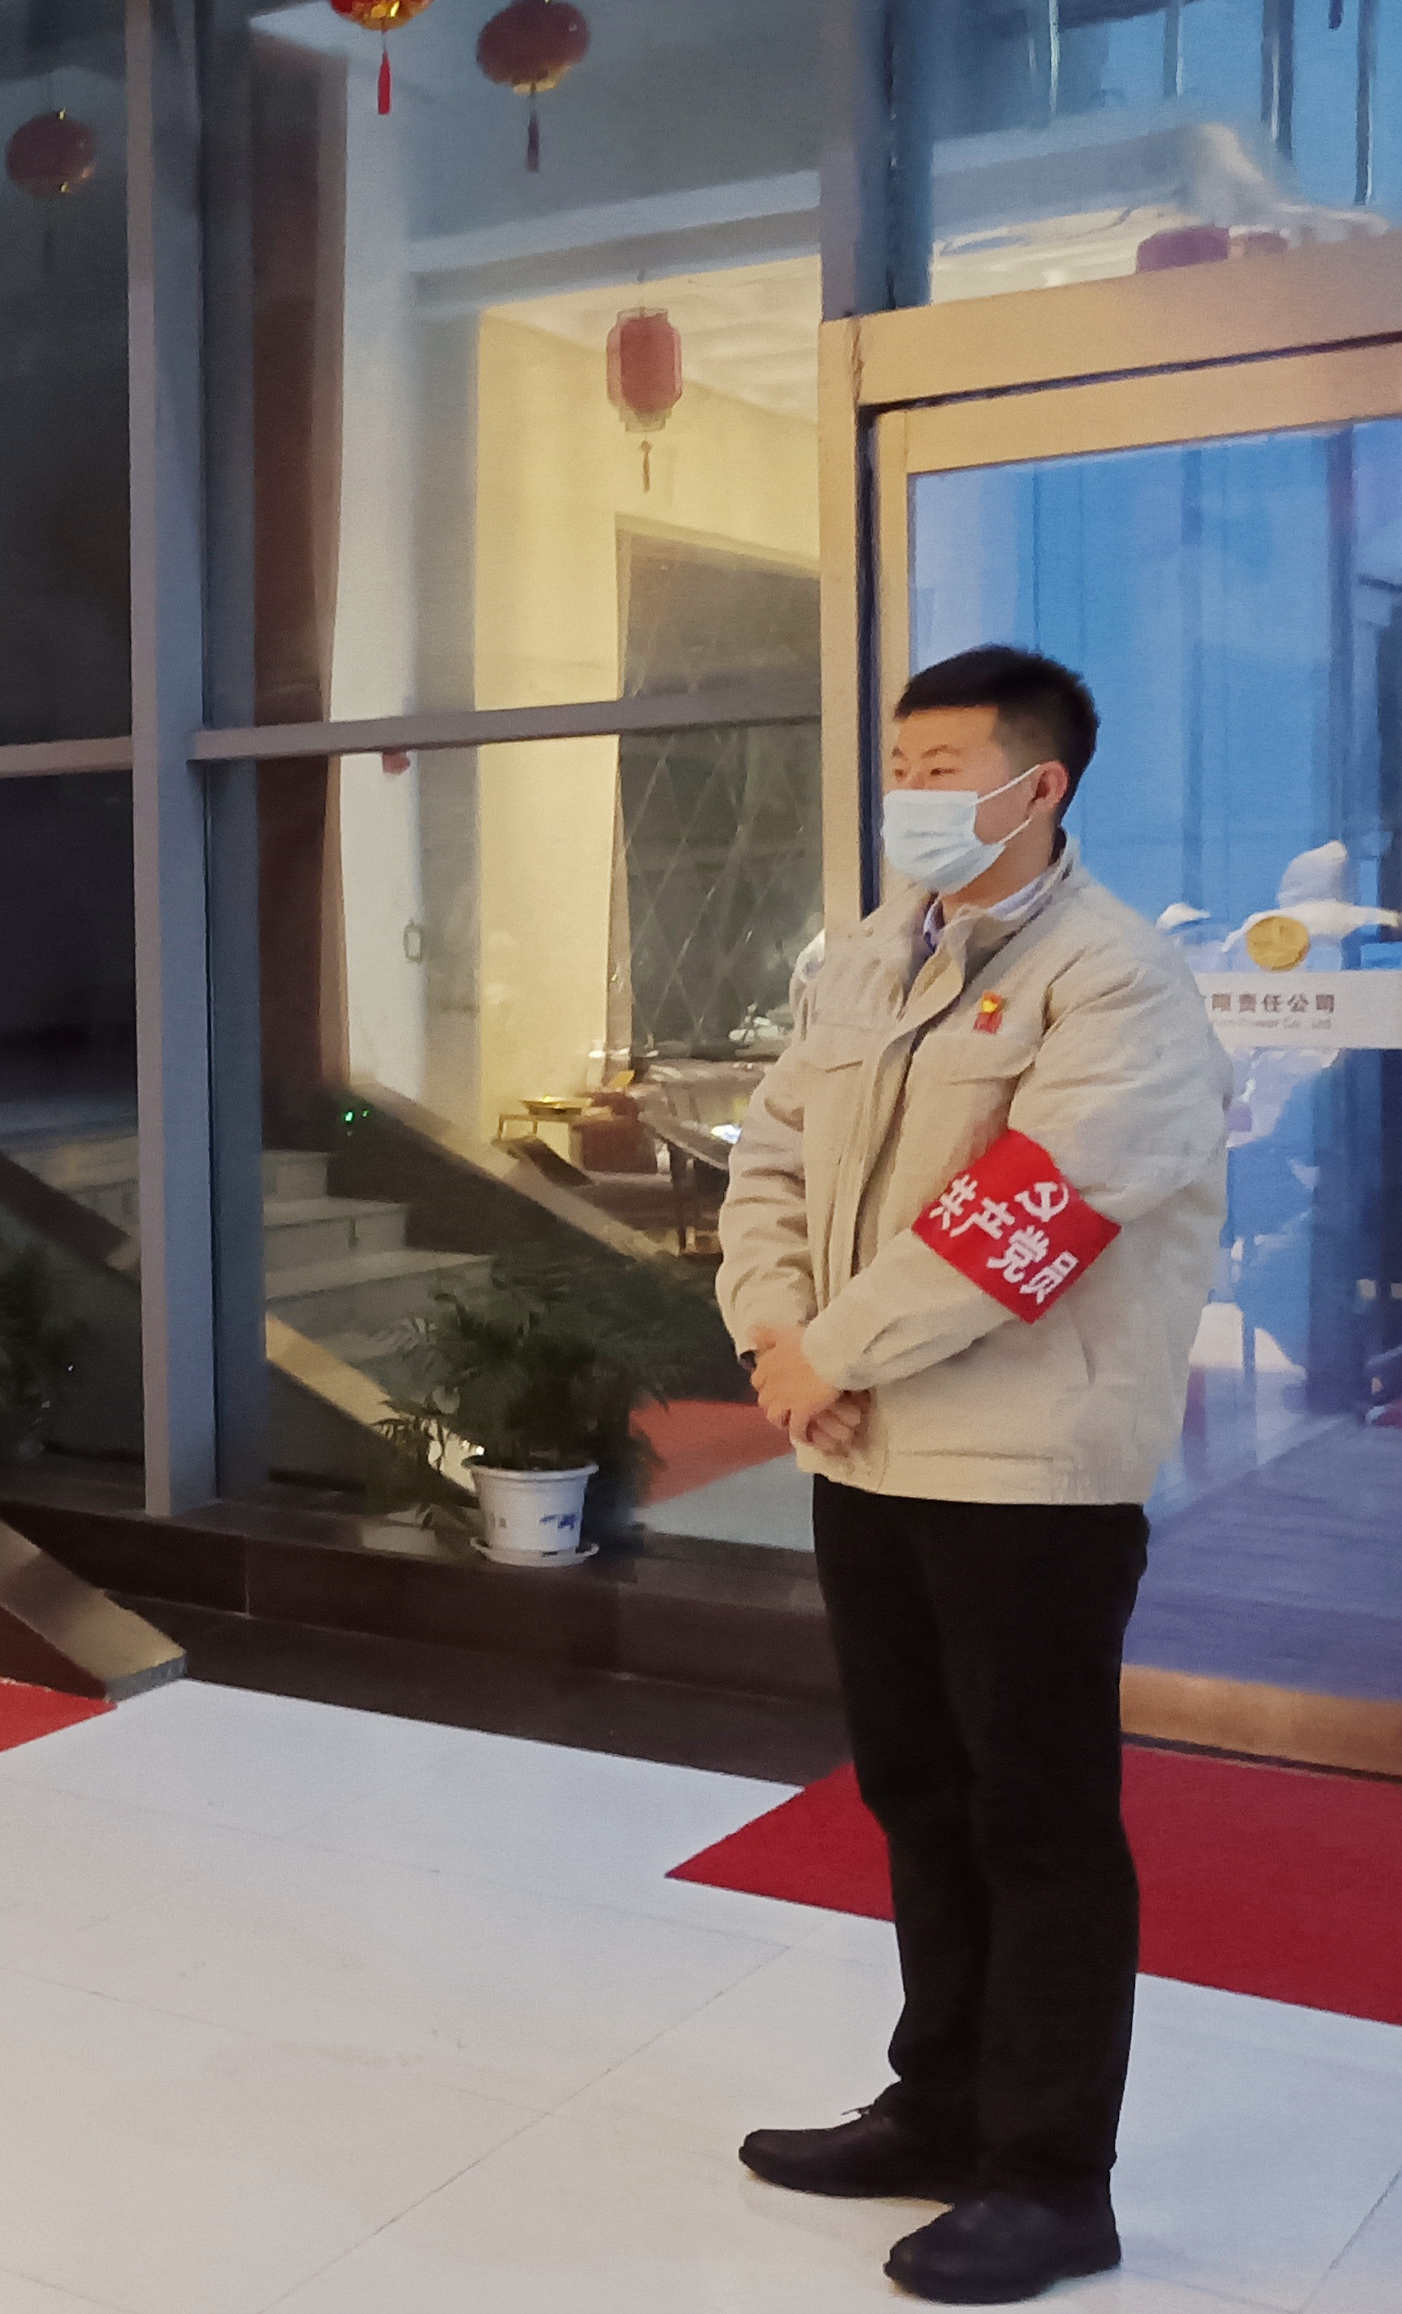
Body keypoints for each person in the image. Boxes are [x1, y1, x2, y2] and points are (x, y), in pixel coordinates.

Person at [720, 647, 1228, 2305]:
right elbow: (770, 1156)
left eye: (939, 767)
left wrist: (834, 1350)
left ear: (1037, 783)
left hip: (1025, 1471)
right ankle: (937, 2101)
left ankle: (1050, 2175)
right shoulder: (869, 959)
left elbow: (1037, 1205)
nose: (907, 796)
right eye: (898, 765)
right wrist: (774, 1331)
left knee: (1037, 1818)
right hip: (863, 1452)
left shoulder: (1118, 976)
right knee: (916, 1793)